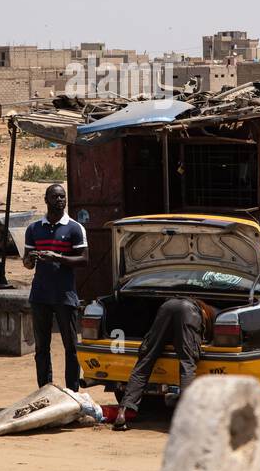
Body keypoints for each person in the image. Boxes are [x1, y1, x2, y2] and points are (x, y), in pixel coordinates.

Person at [113, 296, 215, 431]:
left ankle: (122, 412)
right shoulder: (212, 312)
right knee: (187, 363)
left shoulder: (180, 302)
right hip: (188, 311)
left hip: (167, 306)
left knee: (146, 359)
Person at [23, 183, 89, 392]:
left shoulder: (75, 228)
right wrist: (30, 260)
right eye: (55, 197)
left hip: (65, 296)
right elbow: (27, 262)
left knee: (71, 347)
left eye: (63, 197)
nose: (60, 200)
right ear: (46, 200)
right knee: (41, 348)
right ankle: (45, 390)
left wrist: (58, 257)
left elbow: (85, 260)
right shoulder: (34, 229)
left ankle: (72, 391)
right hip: (40, 295)